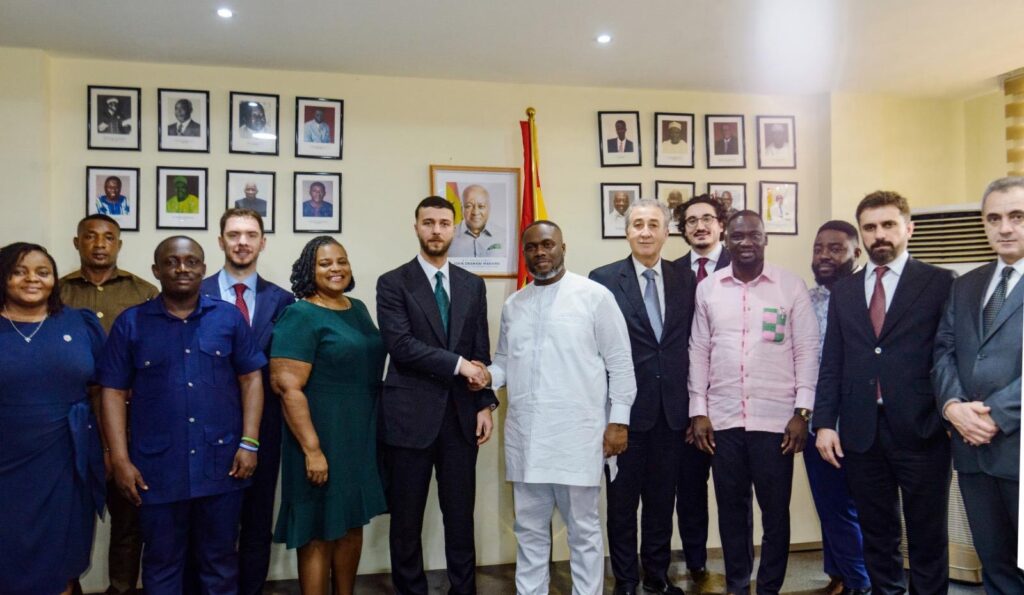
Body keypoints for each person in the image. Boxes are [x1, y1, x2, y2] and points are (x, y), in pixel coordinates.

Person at [98, 236, 266, 595]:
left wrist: (249, 442)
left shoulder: (227, 318)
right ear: (157, 270)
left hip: (222, 465)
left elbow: (252, 378)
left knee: (220, 563)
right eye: (172, 262)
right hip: (155, 469)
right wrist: (120, 459)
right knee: (162, 565)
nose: (182, 268)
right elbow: (111, 392)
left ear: (203, 269)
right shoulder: (132, 323)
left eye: (191, 262)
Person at [485, 220, 636, 595]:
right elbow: (504, 361)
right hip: (527, 438)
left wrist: (618, 422)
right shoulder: (514, 304)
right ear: (525, 253)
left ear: (563, 248)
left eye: (547, 245)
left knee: (583, 532)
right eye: (532, 248)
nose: (540, 253)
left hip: (578, 437)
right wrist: (482, 375)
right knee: (529, 532)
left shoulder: (594, 296)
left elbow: (620, 364)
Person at [815, 191, 954, 594]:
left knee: (927, 538)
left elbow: (949, 355)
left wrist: (949, 412)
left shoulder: (940, 282)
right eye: (871, 227)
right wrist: (825, 422)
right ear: (862, 233)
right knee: (877, 536)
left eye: (888, 225)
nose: (880, 235)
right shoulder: (844, 290)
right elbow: (832, 363)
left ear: (908, 228)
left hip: (923, 430)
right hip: (861, 433)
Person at [688, 210, 819, 594]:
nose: (746, 242)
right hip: (723, 420)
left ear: (765, 240)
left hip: (776, 422)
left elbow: (807, 352)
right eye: (738, 236)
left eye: (754, 235)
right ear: (725, 241)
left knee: (775, 512)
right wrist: (699, 409)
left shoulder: (790, 287)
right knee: (732, 510)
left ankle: (770, 586)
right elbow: (698, 351)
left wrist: (802, 412)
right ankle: (736, 583)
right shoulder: (709, 289)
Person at [375, 195, 498, 595]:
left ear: (454, 229)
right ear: (416, 227)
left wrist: (485, 403)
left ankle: (463, 589)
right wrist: (460, 366)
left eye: (444, 223)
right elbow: (402, 345)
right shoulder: (393, 282)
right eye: (428, 223)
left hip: (462, 418)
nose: (436, 230)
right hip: (409, 417)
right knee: (407, 519)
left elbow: (481, 349)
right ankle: (411, 590)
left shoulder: (472, 285)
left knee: (460, 516)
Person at [589, 199, 696, 595]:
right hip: (624, 415)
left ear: (667, 231)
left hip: (672, 413)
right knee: (620, 507)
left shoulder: (685, 279)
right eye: (638, 224)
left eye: (654, 224)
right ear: (627, 231)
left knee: (660, 504)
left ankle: (656, 578)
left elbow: (689, 342)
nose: (646, 232)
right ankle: (626, 582)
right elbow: (595, 350)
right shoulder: (602, 279)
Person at [270, 236, 387, 595]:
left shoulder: (359, 308)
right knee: (318, 530)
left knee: (351, 524)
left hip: (357, 437)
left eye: (341, 261)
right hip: (319, 437)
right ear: (310, 269)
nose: (335, 268)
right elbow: (287, 387)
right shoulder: (300, 315)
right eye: (325, 263)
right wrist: (312, 449)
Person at [190, 209, 293, 595]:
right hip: (201, 426)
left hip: (263, 429)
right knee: (204, 523)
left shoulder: (283, 301)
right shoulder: (191, 292)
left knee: (254, 522)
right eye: (233, 234)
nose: (242, 242)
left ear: (263, 242)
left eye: (251, 234)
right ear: (220, 241)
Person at [933, 176, 1024, 593]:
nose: (1004, 228)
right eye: (994, 218)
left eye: (1017, 216)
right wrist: (953, 406)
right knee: (996, 568)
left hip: (1015, 446)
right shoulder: (965, 285)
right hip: (972, 454)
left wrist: (995, 416)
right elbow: (944, 351)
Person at [0, 242, 106, 595]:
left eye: (43, 272)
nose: (32, 279)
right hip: (7, 461)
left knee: (62, 555)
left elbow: (104, 389)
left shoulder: (80, 324)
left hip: (67, 458)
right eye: (19, 271)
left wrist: (108, 450)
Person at [60, 214, 158, 595]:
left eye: (109, 237)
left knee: (129, 518)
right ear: (77, 242)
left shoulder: (144, 292)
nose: (100, 244)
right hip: (69, 420)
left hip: (129, 423)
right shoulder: (59, 292)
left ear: (119, 244)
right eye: (90, 237)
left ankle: (121, 588)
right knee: (68, 515)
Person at [804, 221, 870, 595]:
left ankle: (861, 583)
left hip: (857, 421)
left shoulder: (864, 296)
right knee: (828, 504)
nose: (824, 256)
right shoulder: (807, 300)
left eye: (835, 248)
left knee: (848, 507)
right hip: (815, 419)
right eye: (818, 249)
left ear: (855, 253)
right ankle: (839, 574)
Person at [672, 194, 730, 592]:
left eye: (707, 218)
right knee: (688, 491)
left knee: (733, 492)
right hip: (682, 403)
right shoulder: (671, 272)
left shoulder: (743, 264)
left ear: (721, 224)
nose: (700, 226)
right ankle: (696, 564)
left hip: (731, 402)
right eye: (691, 221)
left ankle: (739, 566)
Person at [450, 184, 506, 257]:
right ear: (461, 208)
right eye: (469, 206)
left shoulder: (503, 236)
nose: (475, 212)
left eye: (481, 206)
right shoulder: (449, 236)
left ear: (489, 208)